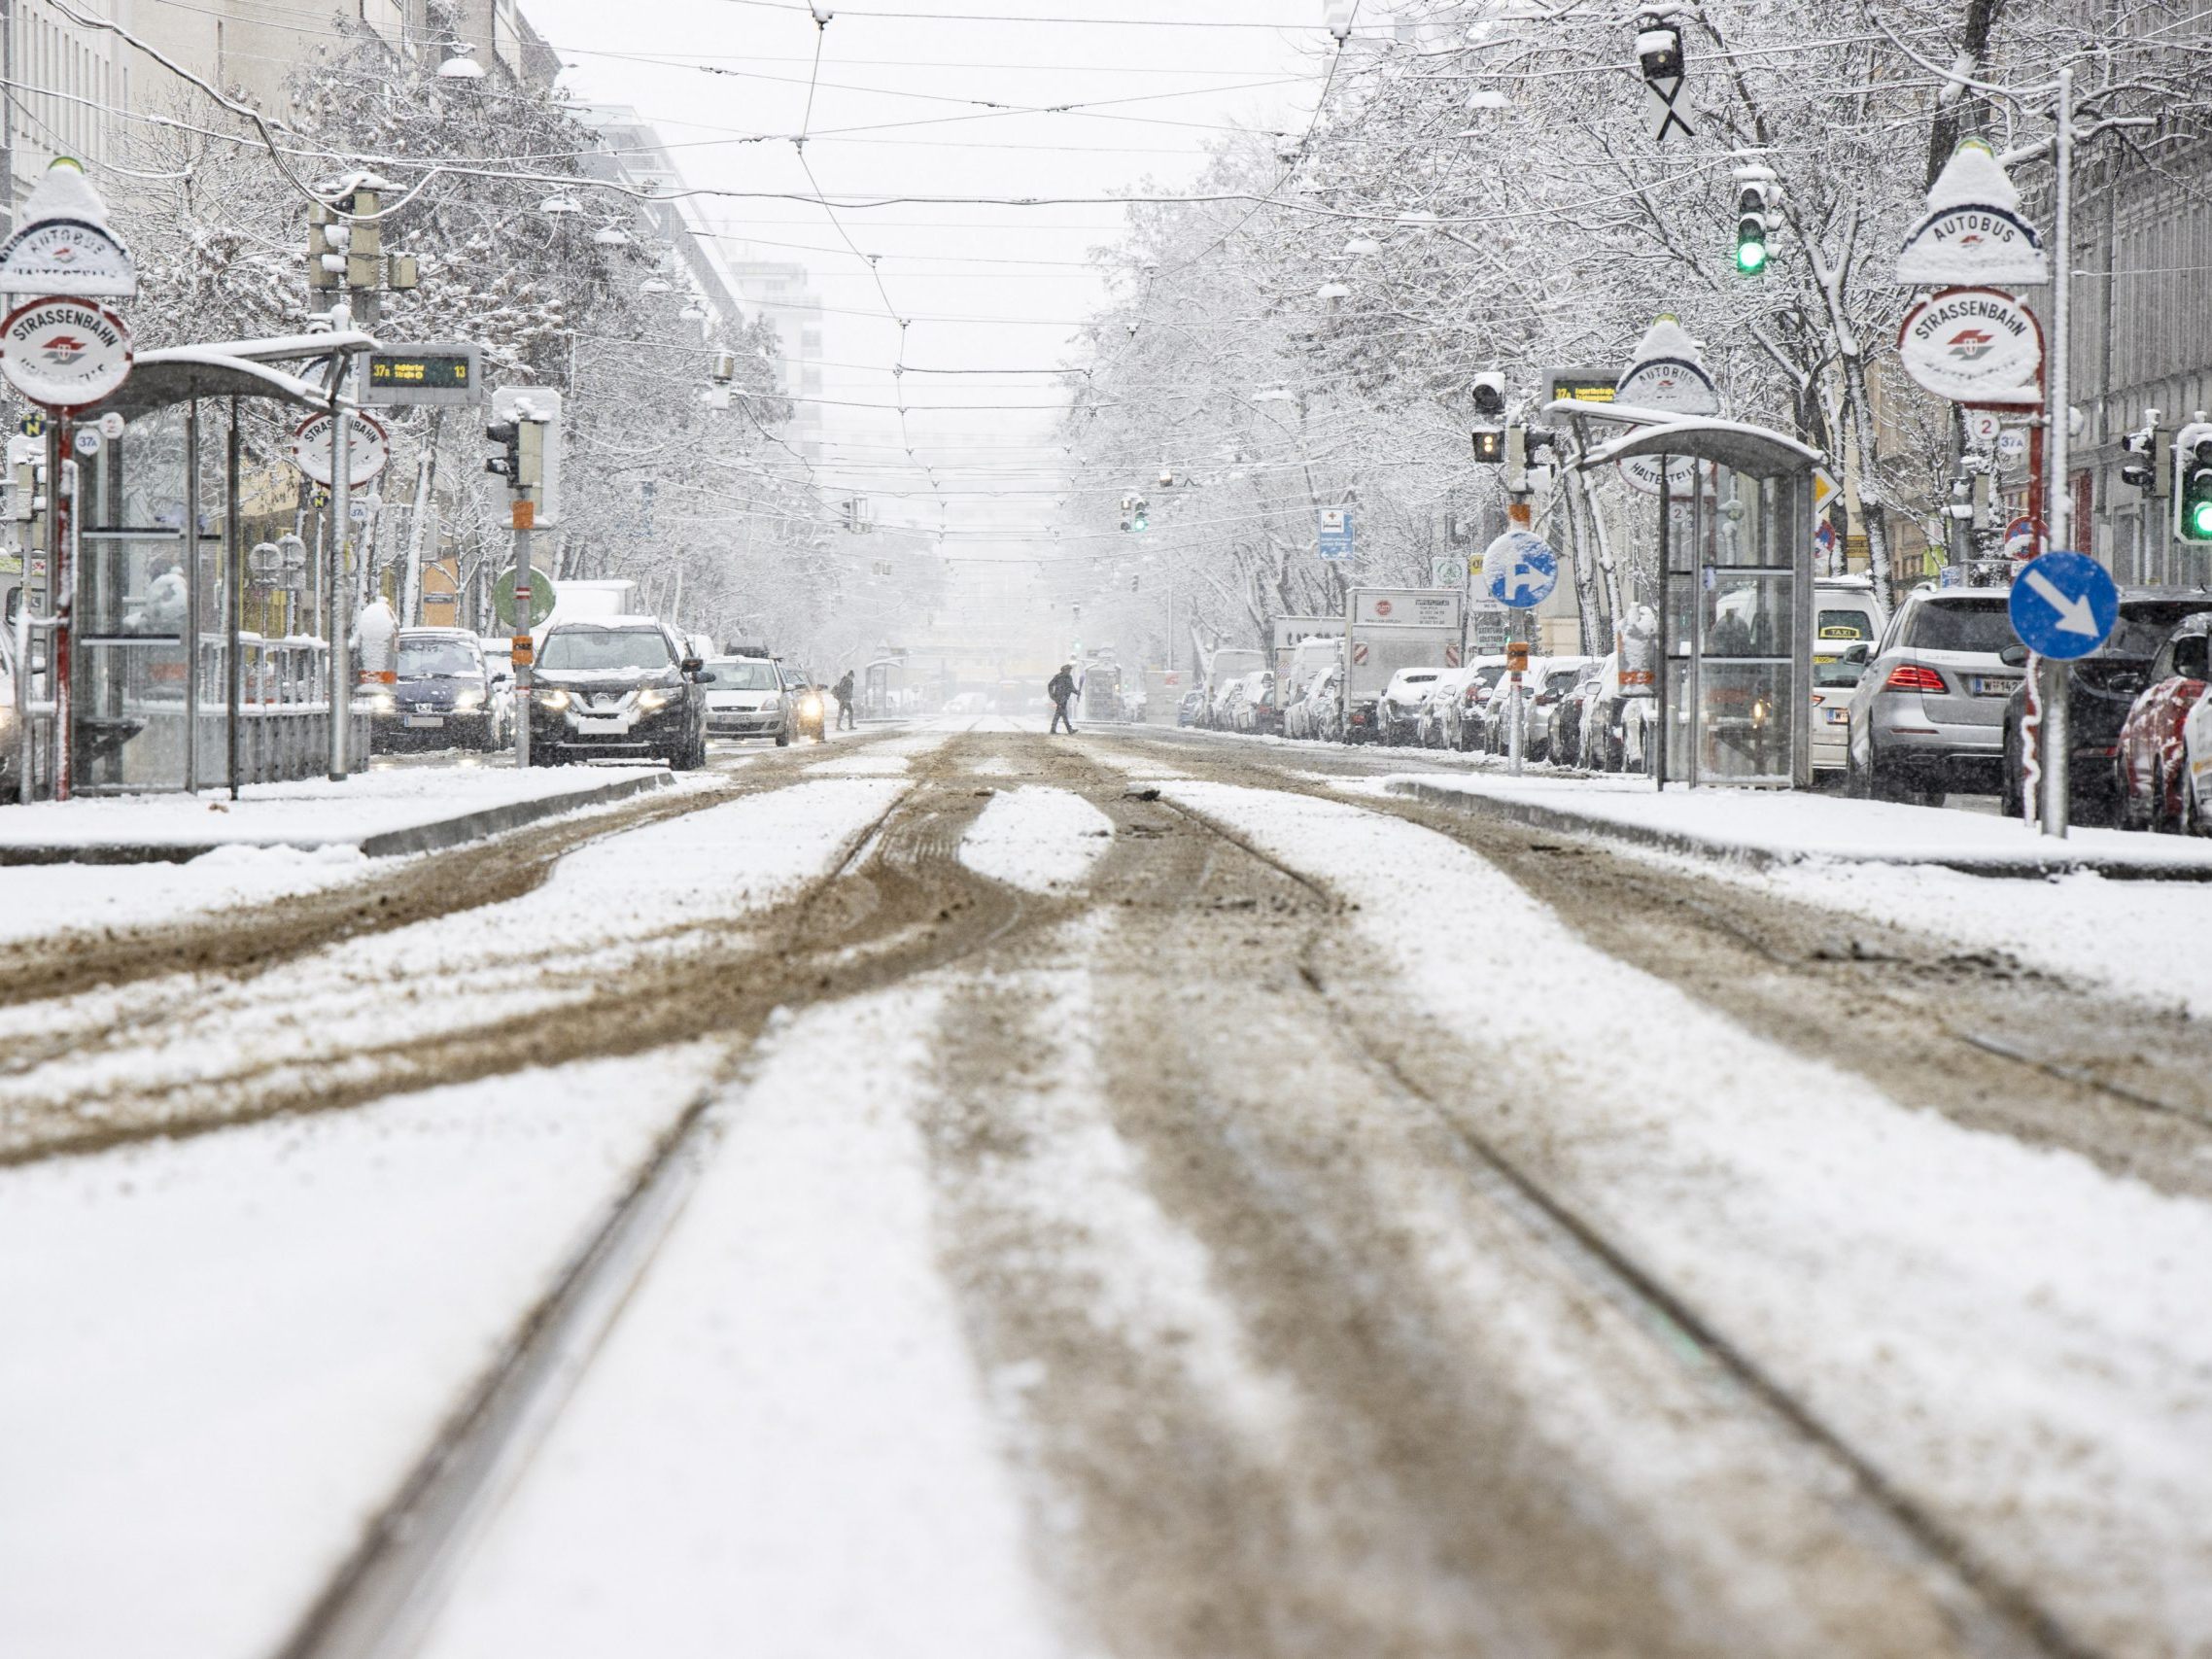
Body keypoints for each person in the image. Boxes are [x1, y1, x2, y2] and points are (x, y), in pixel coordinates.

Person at [1048, 664, 1077, 734]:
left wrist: (1077, 692)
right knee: (1062, 713)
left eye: (1070, 670)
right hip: (1059, 697)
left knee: (1060, 713)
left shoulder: (1069, 677)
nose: (1069, 671)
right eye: (1068, 670)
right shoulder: (1058, 677)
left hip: (1065, 697)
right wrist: (1052, 695)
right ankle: (1069, 730)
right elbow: (1050, 685)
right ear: (1064, 670)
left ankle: (1053, 729)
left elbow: (1071, 687)